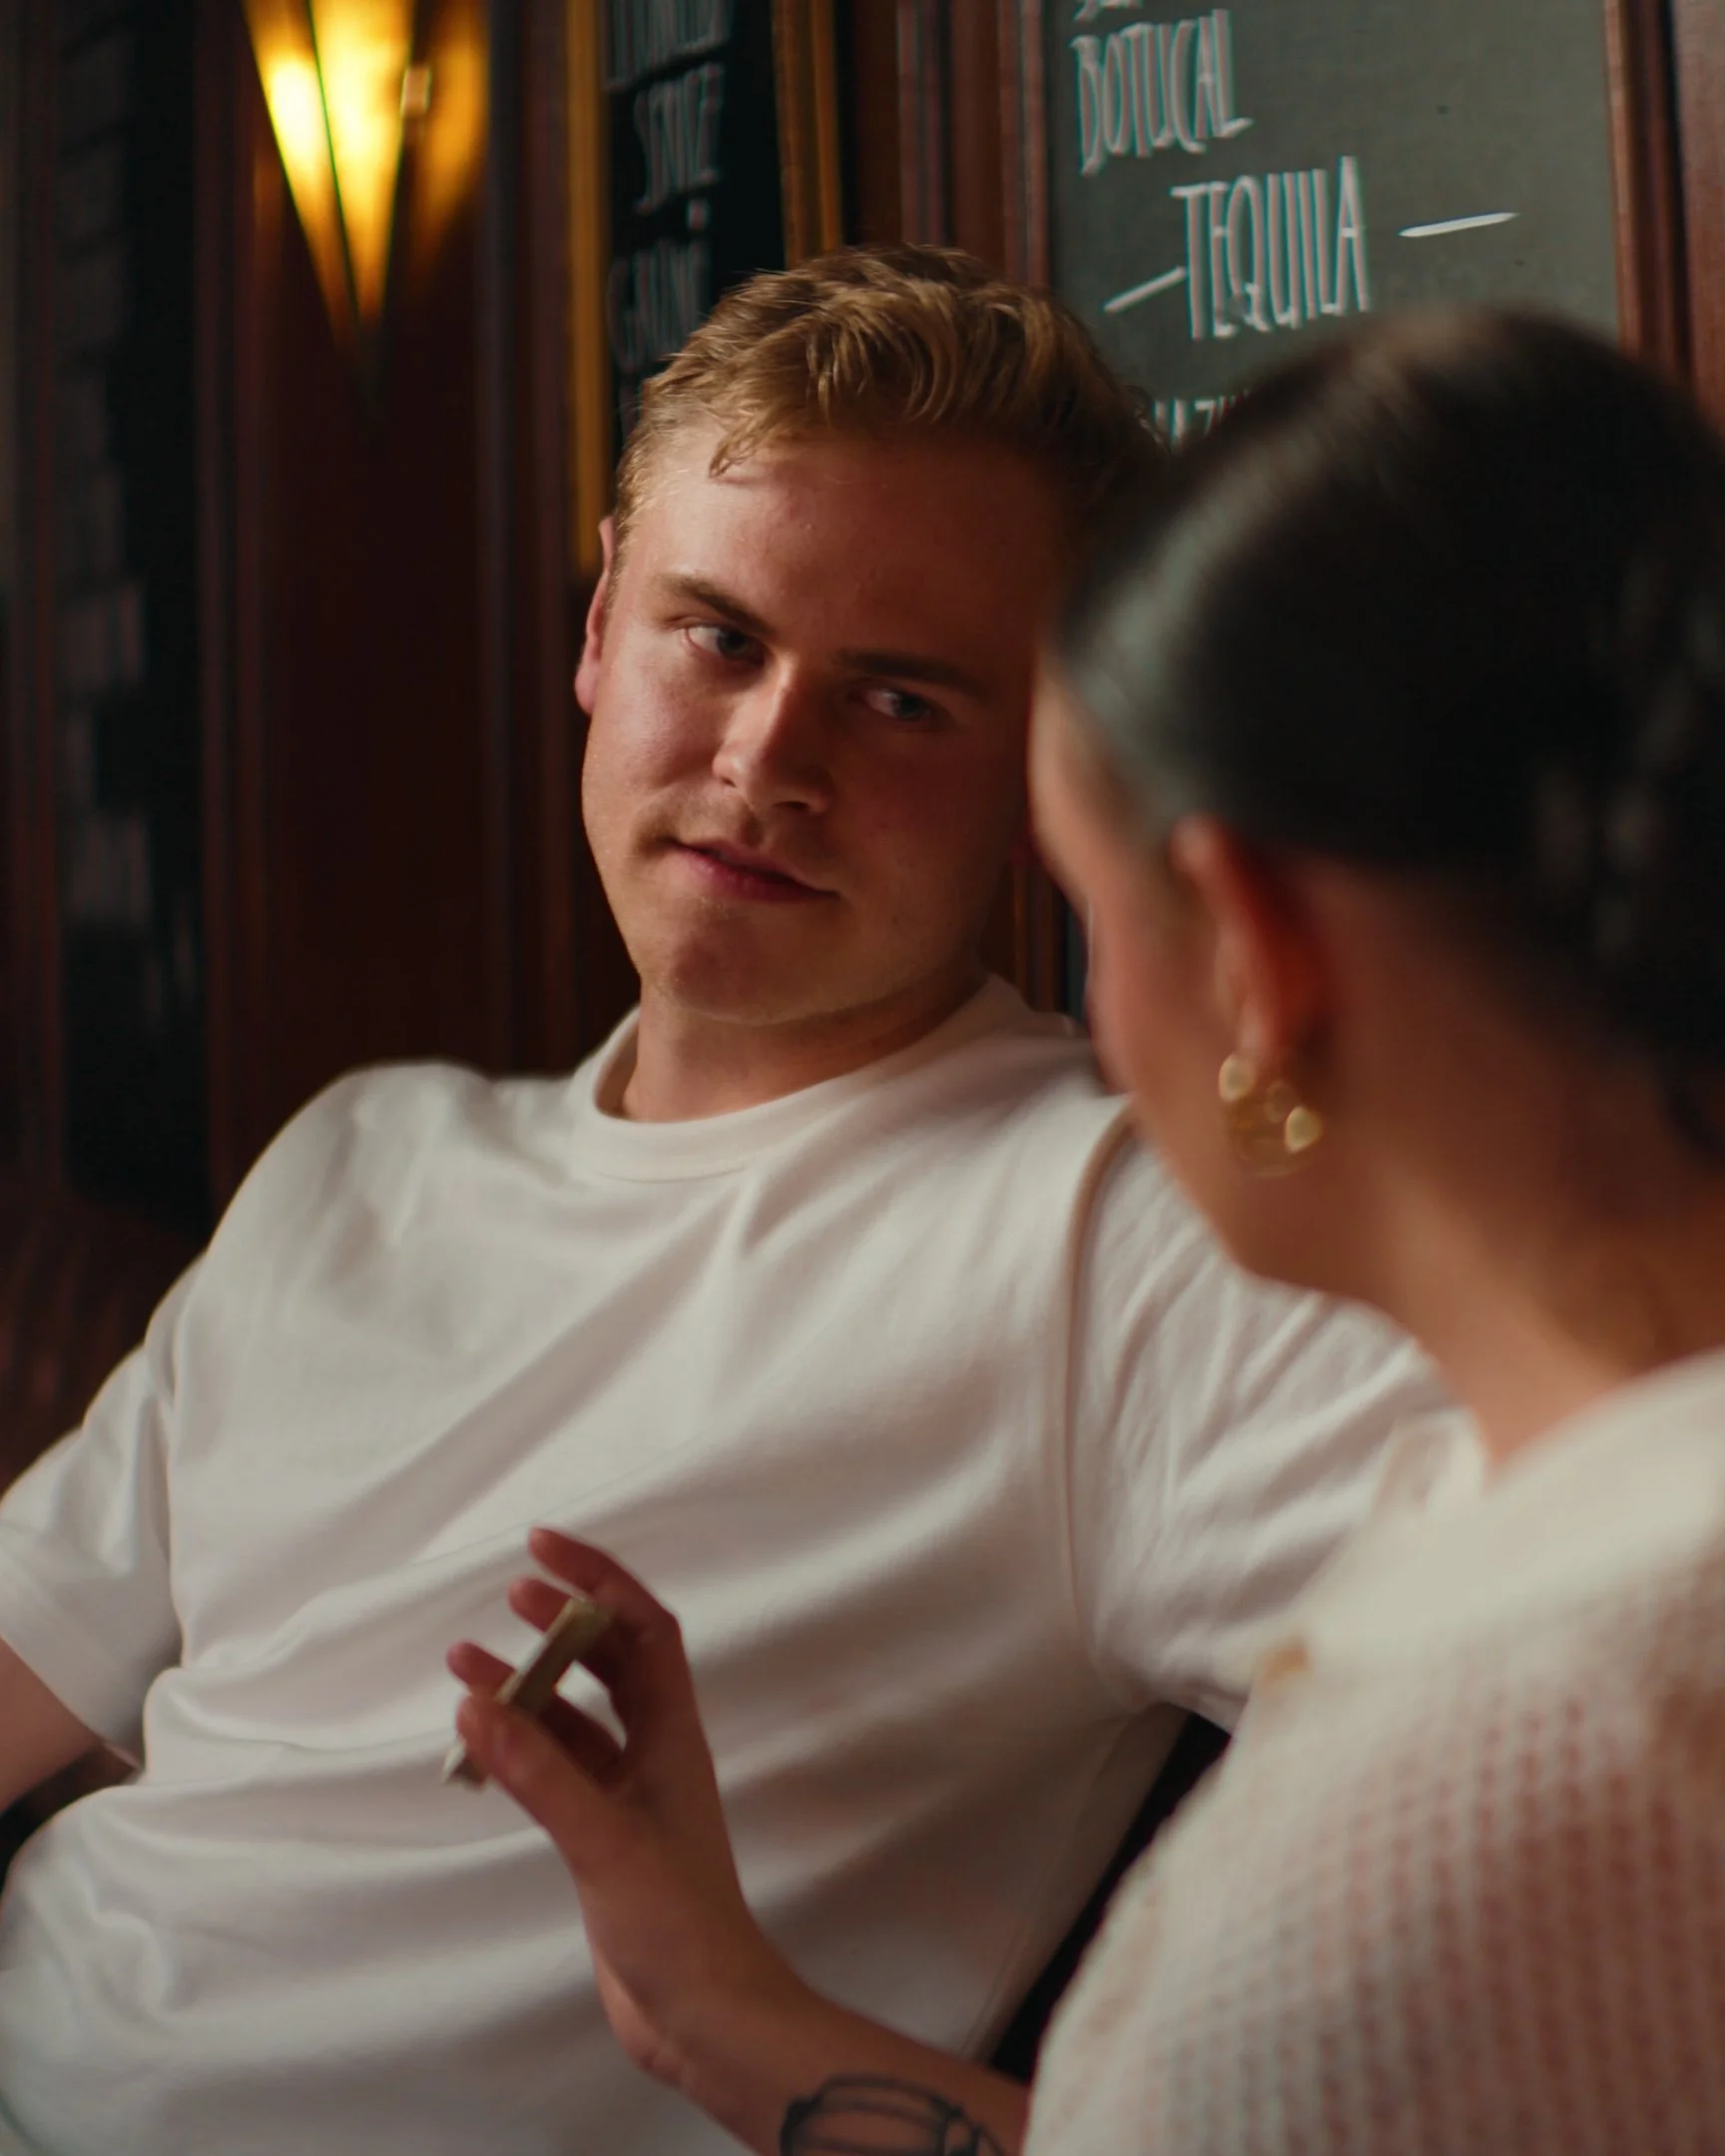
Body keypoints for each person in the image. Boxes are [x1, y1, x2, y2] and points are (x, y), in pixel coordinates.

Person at [0, 249, 1443, 2156]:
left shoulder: (1129, 1242)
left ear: (1057, 761)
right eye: (720, 638)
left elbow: (1605, 1746)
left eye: (902, 700)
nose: (768, 765)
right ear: (604, 624)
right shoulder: (359, 1156)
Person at [450, 307, 1725, 2153]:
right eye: (718, 636)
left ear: (1254, 959)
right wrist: (720, 2011)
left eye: (1095, 924)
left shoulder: (1485, 1779)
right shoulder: (1526, 1511)